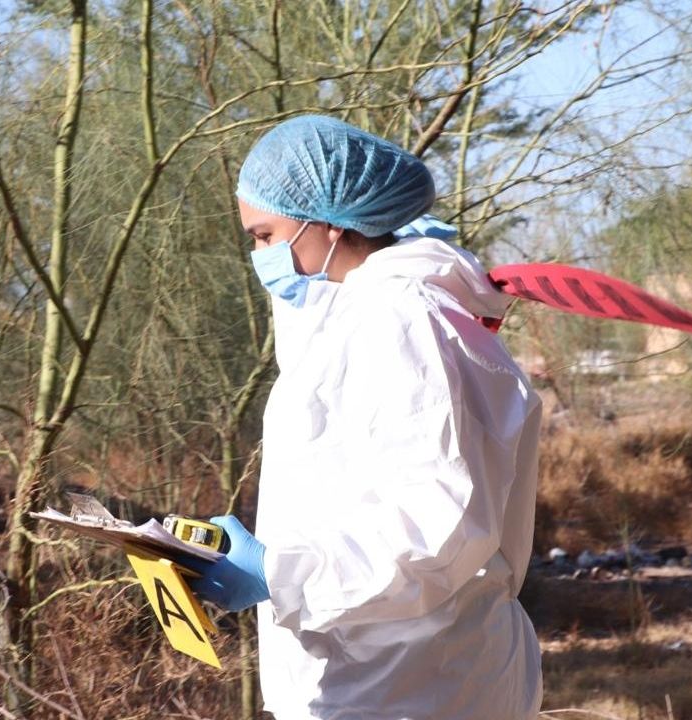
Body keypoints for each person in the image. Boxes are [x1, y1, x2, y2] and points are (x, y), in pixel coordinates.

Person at [189, 115, 543, 720]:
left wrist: (279, 574)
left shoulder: (404, 321)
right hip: (378, 680)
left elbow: (437, 533)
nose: (258, 255)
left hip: (421, 686)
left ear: (325, 222)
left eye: (264, 233)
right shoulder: (364, 315)